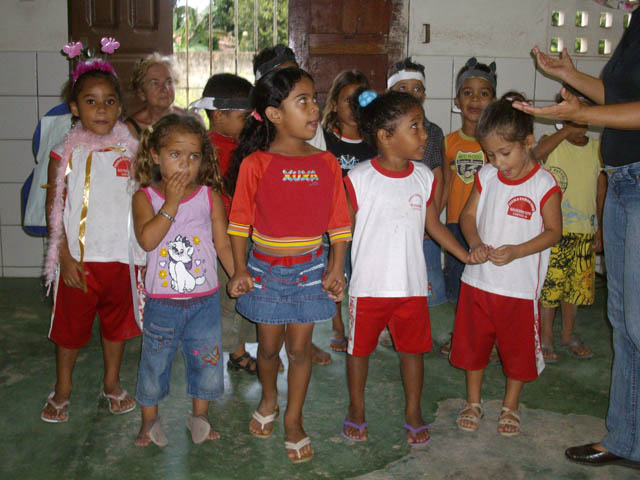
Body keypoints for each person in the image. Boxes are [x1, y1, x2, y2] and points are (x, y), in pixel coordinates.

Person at [512, 7, 640, 468]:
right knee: (625, 322)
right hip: (624, 179)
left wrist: (582, 113)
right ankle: (627, 440)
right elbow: (622, 97)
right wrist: (571, 76)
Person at [226, 67, 351, 463]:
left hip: (310, 270)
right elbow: (239, 224)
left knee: (299, 350)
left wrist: (336, 267)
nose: (314, 108)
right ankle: (269, 399)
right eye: (303, 101)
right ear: (275, 114)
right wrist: (239, 269)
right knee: (268, 348)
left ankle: (294, 418)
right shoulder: (256, 164)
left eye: (314, 99)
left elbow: (339, 223)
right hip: (264, 271)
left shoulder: (326, 162)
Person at [341, 89, 476, 445]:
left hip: (411, 288)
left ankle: (413, 410)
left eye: (422, 125)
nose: (425, 134)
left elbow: (433, 224)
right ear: (386, 136)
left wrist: (464, 255)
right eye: (414, 127)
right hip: (369, 287)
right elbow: (342, 230)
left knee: (413, 352)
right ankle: (357, 407)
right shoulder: (359, 178)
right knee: (359, 352)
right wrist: (335, 269)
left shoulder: (424, 177)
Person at [450, 92, 562, 437]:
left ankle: (510, 405)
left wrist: (517, 251)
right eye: (490, 154)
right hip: (478, 282)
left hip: (519, 288)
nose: (497, 162)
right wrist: (475, 243)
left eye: (505, 153)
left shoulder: (544, 184)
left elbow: (554, 232)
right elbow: (467, 217)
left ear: (528, 142)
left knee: (517, 351)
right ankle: (473, 402)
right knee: (473, 346)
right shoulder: (486, 176)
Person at [40, 57, 143, 423]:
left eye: (109, 101)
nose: (101, 109)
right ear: (74, 107)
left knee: (117, 327)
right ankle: (62, 389)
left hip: (122, 260)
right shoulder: (65, 152)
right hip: (79, 263)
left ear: (120, 106)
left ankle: (111, 383)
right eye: (91, 101)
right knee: (69, 331)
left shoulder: (132, 149)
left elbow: (144, 198)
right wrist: (63, 257)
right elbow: (54, 208)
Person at [131, 114, 234, 447]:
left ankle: (200, 415)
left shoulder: (208, 197)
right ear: (155, 155)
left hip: (205, 301)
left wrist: (237, 274)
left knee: (206, 359)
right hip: (162, 303)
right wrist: (172, 203)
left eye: (193, 156)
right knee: (155, 362)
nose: (185, 164)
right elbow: (148, 240)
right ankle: (149, 420)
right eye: (175, 154)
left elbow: (222, 243)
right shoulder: (144, 198)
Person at [190, 73, 261, 375]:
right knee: (226, 299)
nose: (249, 123)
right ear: (218, 115)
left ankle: (238, 352)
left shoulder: (243, 145)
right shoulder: (205, 150)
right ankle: (214, 359)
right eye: (244, 117)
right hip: (218, 239)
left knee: (241, 294)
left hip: (245, 234)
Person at [532, 95, 606, 363]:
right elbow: (535, 156)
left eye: (583, 116)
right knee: (550, 287)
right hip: (555, 232)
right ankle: (546, 336)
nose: (579, 122)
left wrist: (600, 227)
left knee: (575, 289)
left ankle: (567, 334)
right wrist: (565, 130)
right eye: (572, 116)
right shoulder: (553, 144)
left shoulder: (597, 148)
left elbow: (600, 189)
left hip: (584, 232)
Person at [440, 58, 497, 356]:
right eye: (467, 93)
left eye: (483, 93)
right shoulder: (448, 143)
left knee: (488, 286)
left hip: (489, 226)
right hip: (455, 225)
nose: (475, 100)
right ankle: (460, 334)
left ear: (493, 101)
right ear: (457, 101)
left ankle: (489, 338)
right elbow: (445, 185)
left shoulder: (496, 145)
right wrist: (432, 223)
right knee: (459, 285)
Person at [321, 69, 376, 353]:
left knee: (363, 274)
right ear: (334, 103)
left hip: (366, 223)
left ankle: (362, 322)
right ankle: (337, 324)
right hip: (330, 225)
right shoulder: (324, 140)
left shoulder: (375, 141)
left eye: (360, 101)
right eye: (347, 100)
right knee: (335, 272)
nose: (354, 107)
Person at [388, 57, 447, 309]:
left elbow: (439, 178)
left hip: (423, 224)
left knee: (426, 287)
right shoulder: (383, 132)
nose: (410, 93)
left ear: (424, 94)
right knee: (392, 284)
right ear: (390, 92)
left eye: (417, 88)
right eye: (402, 88)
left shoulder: (432, 132)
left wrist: (430, 223)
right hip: (392, 225)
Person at [125, 53, 185, 137]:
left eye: (169, 82)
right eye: (155, 83)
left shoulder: (191, 120)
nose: (164, 88)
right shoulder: (130, 128)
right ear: (141, 93)